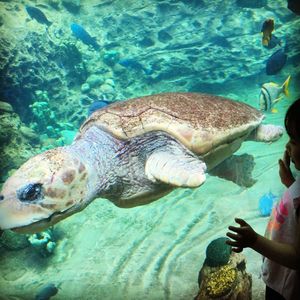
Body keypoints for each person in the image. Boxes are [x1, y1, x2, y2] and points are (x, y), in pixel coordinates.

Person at [226, 98, 300, 300]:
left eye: (293, 141)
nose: (287, 146)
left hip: (288, 285)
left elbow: (297, 257)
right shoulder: (298, 186)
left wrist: (254, 241)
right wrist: (291, 184)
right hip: (280, 276)